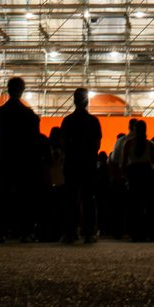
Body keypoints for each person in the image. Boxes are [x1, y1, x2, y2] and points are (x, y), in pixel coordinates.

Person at [0, 76, 41, 242]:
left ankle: (1, 231)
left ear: (8, 89)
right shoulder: (29, 114)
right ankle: (25, 232)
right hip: (24, 160)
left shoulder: (0, 112)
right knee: (25, 196)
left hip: (6, 157)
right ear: (22, 90)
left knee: (2, 197)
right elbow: (35, 139)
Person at [60, 87, 102, 243]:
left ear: (74, 101)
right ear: (87, 102)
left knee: (70, 199)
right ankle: (89, 233)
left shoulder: (68, 121)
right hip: (88, 163)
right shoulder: (93, 121)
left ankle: (70, 232)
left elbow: (63, 144)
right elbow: (97, 144)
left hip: (72, 163)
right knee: (88, 199)